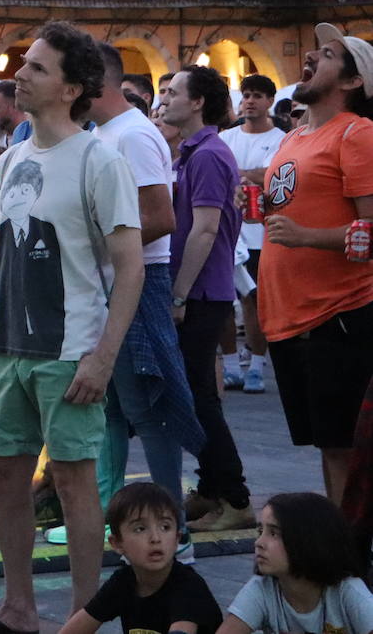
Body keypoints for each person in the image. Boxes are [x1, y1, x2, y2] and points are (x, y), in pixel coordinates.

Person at [0, 21, 144, 626]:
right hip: (9, 348)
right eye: (24, 63)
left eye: (38, 68)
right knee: (5, 473)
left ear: (72, 88)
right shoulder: (13, 158)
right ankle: (18, 608)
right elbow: (7, 259)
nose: (20, 74)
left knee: (75, 482)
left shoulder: (100, 159)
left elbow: (130, 269)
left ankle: (82, 616)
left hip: (70, 347)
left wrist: (102, 357)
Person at [86, 43, 200, 534]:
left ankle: (172, 528)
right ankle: (115, 517)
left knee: (148, 410)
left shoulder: (132, 134)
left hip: (136, 282)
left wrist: (90, 253)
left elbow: (159, 217)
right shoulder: (109, 132)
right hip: (108, 283)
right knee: (109, 407)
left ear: (90, 83)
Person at [260, 24, 373, 511]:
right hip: (292, 320)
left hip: (340, 315)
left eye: (327, 54)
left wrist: (307, 237)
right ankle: (342, 555)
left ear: (352, 82)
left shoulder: (357, 133)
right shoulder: (294, 137)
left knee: (345, 448)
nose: (310, 55)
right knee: (329, 447)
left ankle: (349, 557)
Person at [160, 65, 251, 533]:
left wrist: (178, 293)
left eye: (173, 92)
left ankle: (234, 496)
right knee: (195, 397)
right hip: (194, 290)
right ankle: (213, 487)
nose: (164, 98)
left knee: (201, 399)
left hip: (200, 291)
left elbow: (207, 227)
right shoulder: (191, 154)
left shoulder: (209, 155)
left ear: (197, 102)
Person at [62, 483, 222, 634]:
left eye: (165, 527)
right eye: (140, 529)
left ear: (177, 539)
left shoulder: (188, 586)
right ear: (117, 543)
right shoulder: (123, 581)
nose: (155, 538)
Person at [219, 493, 373, 634]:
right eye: (260, 532)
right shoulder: (262, 589)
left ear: (309, 541)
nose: (259, 543)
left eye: (273, 533)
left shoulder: (348, 592)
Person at [219, 74, 284, 394]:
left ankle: (256, 366)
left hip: (261, 233)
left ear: (270, 101)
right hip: (228, 232)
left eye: (257, 95)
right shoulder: (227, 138)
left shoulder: (282, 138)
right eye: (246, 95)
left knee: (255, 301)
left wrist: (239, 174)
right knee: (223, 299)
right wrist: (246, 176)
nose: (250, 101)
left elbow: (272, 175)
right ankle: (231, 365)